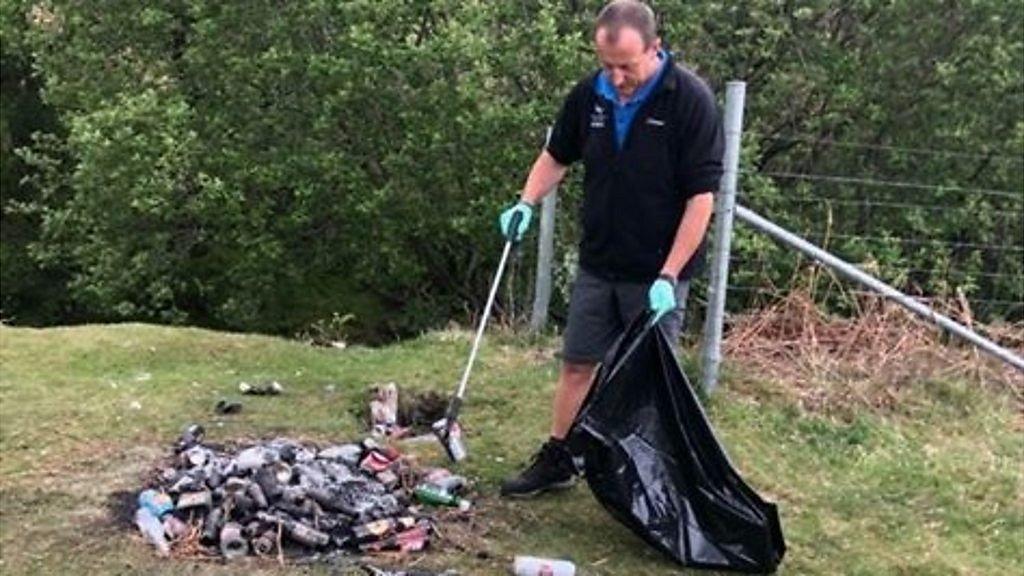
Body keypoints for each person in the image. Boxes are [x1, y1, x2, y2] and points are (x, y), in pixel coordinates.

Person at [497, 0, 724, 498]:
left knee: (647, 381)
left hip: (658, 272)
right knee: (579, 363)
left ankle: (652, 482)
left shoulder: (689, 101)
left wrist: (668, 276)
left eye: (627, 65)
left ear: (655, 48)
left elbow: (700, 200)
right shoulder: (589, 96)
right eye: (607, 65)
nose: (617, 77)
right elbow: (556, 155)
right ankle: (559, 457)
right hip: (600, 262)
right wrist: (526, 203)